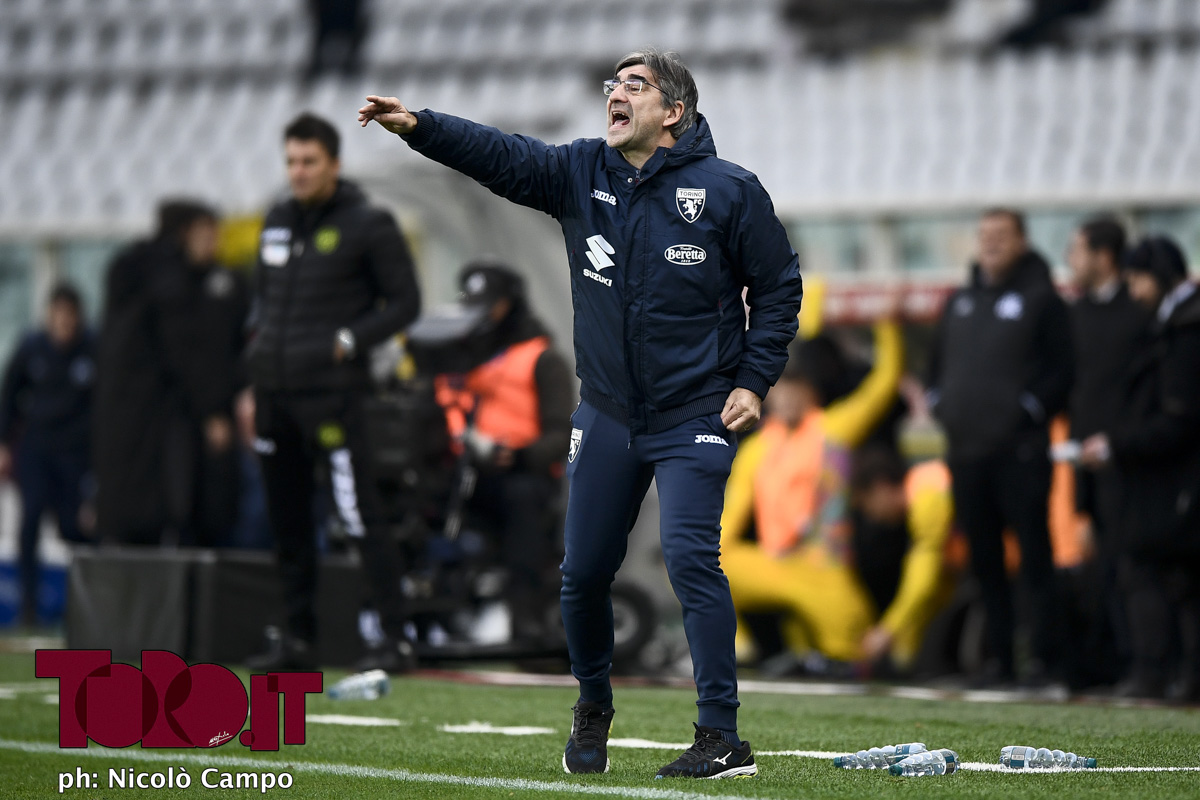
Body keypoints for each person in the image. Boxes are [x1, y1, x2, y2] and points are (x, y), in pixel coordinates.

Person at [359, 48, 803, 778]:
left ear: (674, 112)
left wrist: (754, 382)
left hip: (695, 412)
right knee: (583, 574)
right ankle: (593, 706)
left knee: (692, 561)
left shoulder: (729, 190)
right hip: (606, 414)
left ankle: (720, 736)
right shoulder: (579, 172)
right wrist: (421, 126)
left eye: (635, 85)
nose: (615, 95)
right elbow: (501, 156)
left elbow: (780, 288)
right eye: (612, 84)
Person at [244, 113, 421, 671]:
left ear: (334, 164)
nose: (298, 172)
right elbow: (263, 307)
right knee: (287, 524)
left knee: (358, 516)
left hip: (332, 396)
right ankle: (299, 640)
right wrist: (252, 374)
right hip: (274, 396)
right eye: (291, 161)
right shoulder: (275, 220)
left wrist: (350, 340)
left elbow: (406, 303)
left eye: (309, 161)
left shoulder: (369, 223)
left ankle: (394, 638)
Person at [927, 208, 1073, 686]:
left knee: (1034, 558)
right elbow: (935, 365)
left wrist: (1028, 410)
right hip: (967, 452)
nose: (991, 243)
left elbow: (1063, 370)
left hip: (1020, 453)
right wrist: (940, 403)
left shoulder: (1042, 299)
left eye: (1002, 235)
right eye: (985, 234)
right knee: (984, 562)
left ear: (1022, 241)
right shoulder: (960, 300)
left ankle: (1047, 659)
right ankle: (1000, 661)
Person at [719, 321, 903, 669]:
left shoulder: (832, 429)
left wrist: (885, 323)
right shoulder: (756, 449)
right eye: (781, 388)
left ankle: (825, 653)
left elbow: (884, 383)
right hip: (775, 564)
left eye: (796, 388)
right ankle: (733, 645)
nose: (788, 397)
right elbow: (729, 518)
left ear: (811, 392)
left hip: (821, 566)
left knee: (854, 649)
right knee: (702, 562)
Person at [1081, 236, 1200, 700]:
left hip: (1177, 477)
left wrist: (1119, 445)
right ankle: (1177, 676)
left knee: (1159, 572)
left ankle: (1160, 674)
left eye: (1137, 280)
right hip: (1169, 474)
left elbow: (1179, 418)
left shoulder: (1185, 330)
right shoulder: (1175, 324)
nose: (1133, 292)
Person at [433, 261, 574, 640]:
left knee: (523, 502)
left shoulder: (542, 358)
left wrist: (522, 456)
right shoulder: (451, 353)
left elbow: (562, 431)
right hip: (457, 471)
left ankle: (524, 612)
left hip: (519, 472)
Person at [93, 201, 231, 544]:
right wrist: (212, 409)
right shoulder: (172, 280)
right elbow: (183, 352)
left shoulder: (129, 267)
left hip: (118, 412)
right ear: (185, 233)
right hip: (158, 413)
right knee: (168, 505)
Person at [1063, 216, 1149, 688]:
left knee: (1136, 567)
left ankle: (1147, 664)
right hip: (1089, 466)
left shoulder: (1137, 315)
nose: (1070, 260)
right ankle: (1117, 664)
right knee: (1105, 567)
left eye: (1077, 250)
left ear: (1103, 255)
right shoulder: (1076, 313)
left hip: (1133, 463)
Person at [0, 284, 96, 626]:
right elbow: (9, 396)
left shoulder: (92, 350)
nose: (64, 322)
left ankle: (87, 607)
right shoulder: (31, 348)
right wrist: (3, 444)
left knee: (75, 527)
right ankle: (28, 608)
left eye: (70, 315)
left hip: (74, 455)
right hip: (37, 452)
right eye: (59, 314)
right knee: (30, 524)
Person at [849, 449, 955, 673]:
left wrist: (887, 632)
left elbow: (923, 583)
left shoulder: (927, 497)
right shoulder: (925, 486)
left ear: (881, 488)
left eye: (867, 504)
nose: (871, 515)